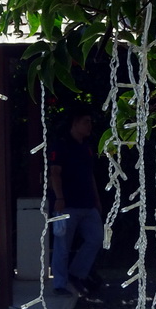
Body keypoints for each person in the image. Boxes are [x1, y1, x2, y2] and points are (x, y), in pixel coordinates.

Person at [48, 108, 103, 297]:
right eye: (86, 121)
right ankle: (59, 284)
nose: (90, 126)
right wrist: (59, 197)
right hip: (66, 204)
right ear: (75, 123)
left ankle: (76, 273)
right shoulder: (60, 146)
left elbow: (90, 175)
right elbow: (55, 173)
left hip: (87, 203)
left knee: (96, 238)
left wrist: (96, 199)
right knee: (62, 245)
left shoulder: (86, 147)